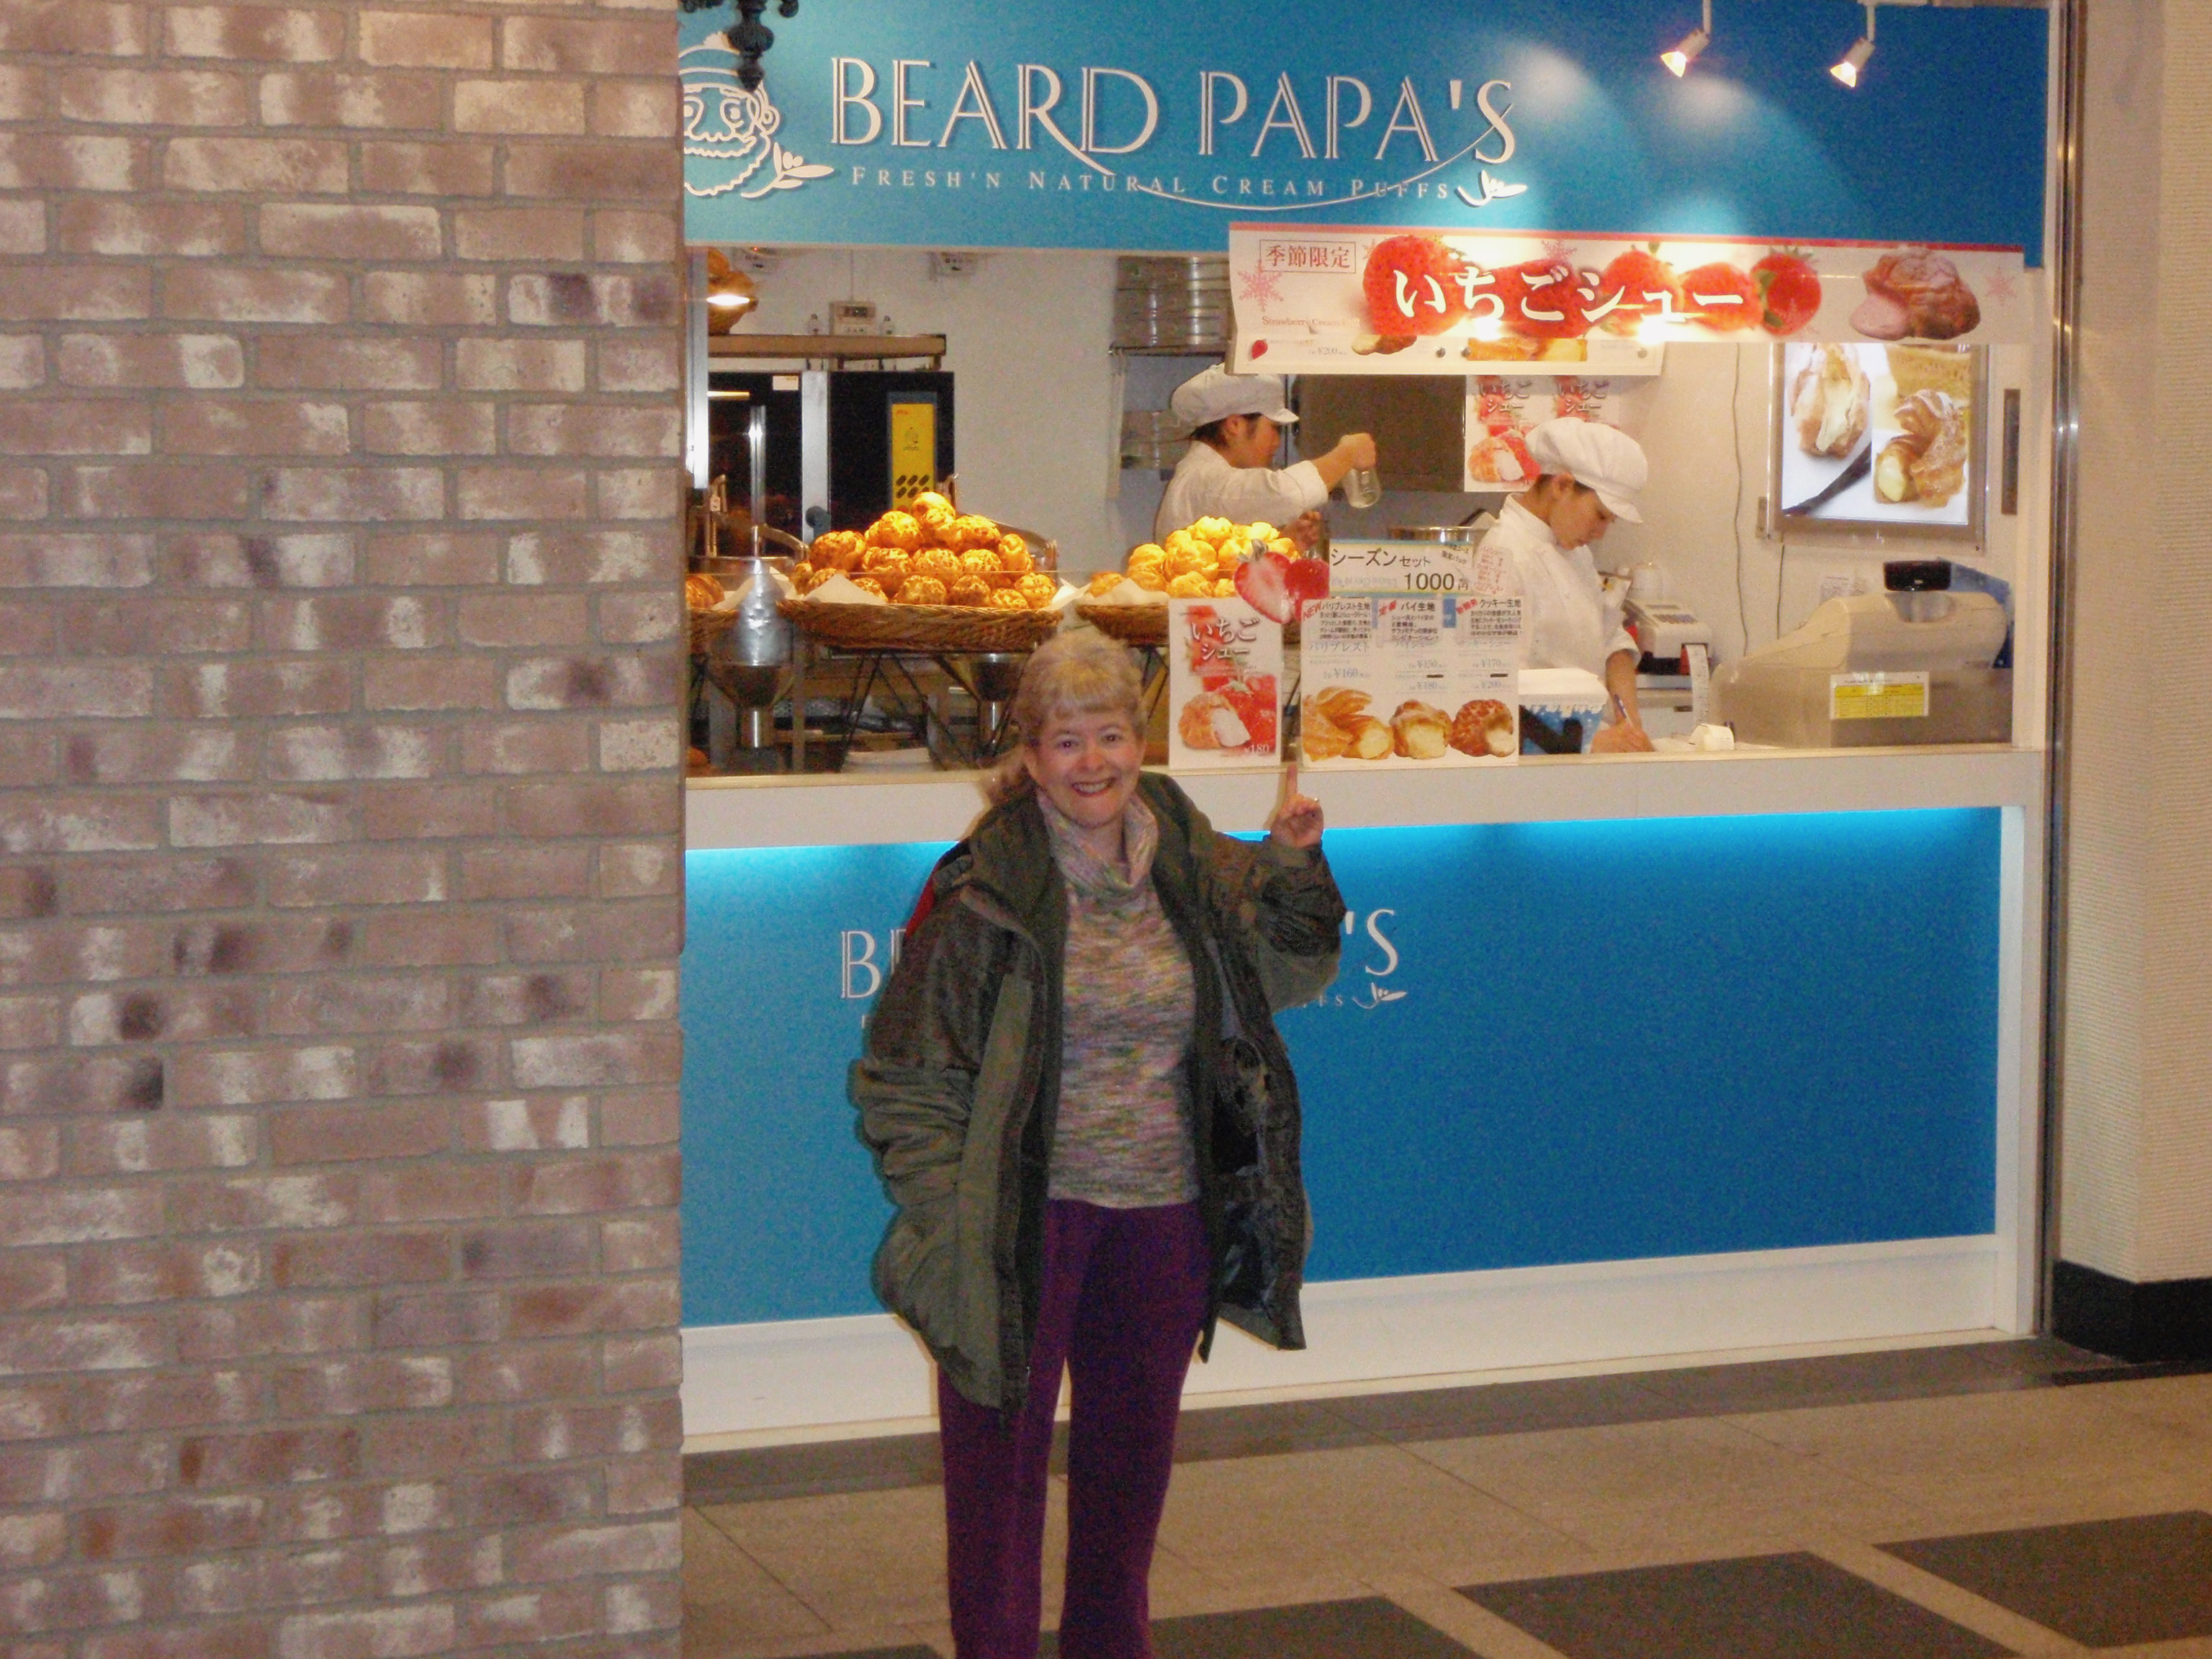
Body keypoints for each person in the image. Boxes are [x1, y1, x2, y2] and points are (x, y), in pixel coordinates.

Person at [851, 631, 1344, 1659]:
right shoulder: (982, 885)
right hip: (1020, 1224)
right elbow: (905, 1077)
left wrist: (1296, 869)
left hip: (1162, 1219)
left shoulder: (1182, 842)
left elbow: (1284, 978)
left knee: (1127, 1485)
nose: (1095, 764)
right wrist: (953, 1221)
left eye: (1112, 736)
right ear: (1028, 759)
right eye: (1066, 742)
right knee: (999, 1494)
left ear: (1138, 741)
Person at [1480, 418, 1655, 754]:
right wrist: (1592, 741)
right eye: (1600, 516)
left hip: (1581, 746)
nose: (1601, 532)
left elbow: (1612, 642)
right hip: (1539, 756)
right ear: (1562, 486)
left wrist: (1630, 724)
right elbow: (1497, 685)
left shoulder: (1577, 553)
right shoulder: (1503, 553)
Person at [1155, 364, 1377, 550]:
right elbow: (1283, 494)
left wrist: (1281, 543)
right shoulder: (1203, 479)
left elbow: (1230, 563)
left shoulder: (1204, 475)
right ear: (1235, 425)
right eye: (1274, 429)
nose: (1277, 442)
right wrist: (1347, 454)